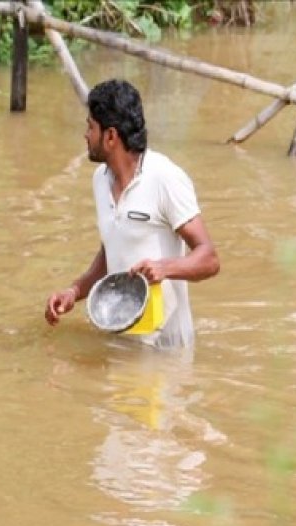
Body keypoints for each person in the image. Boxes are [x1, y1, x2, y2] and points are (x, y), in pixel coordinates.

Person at [44, 79, 220, 349]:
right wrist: (74, 291)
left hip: (166, 350)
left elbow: (209, 259)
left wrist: (164, 268)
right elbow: (112, 250)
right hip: (120, 344)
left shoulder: (165, 178)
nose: (85, 135)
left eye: (91, 127)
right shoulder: (99, 180)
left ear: (111, 136)